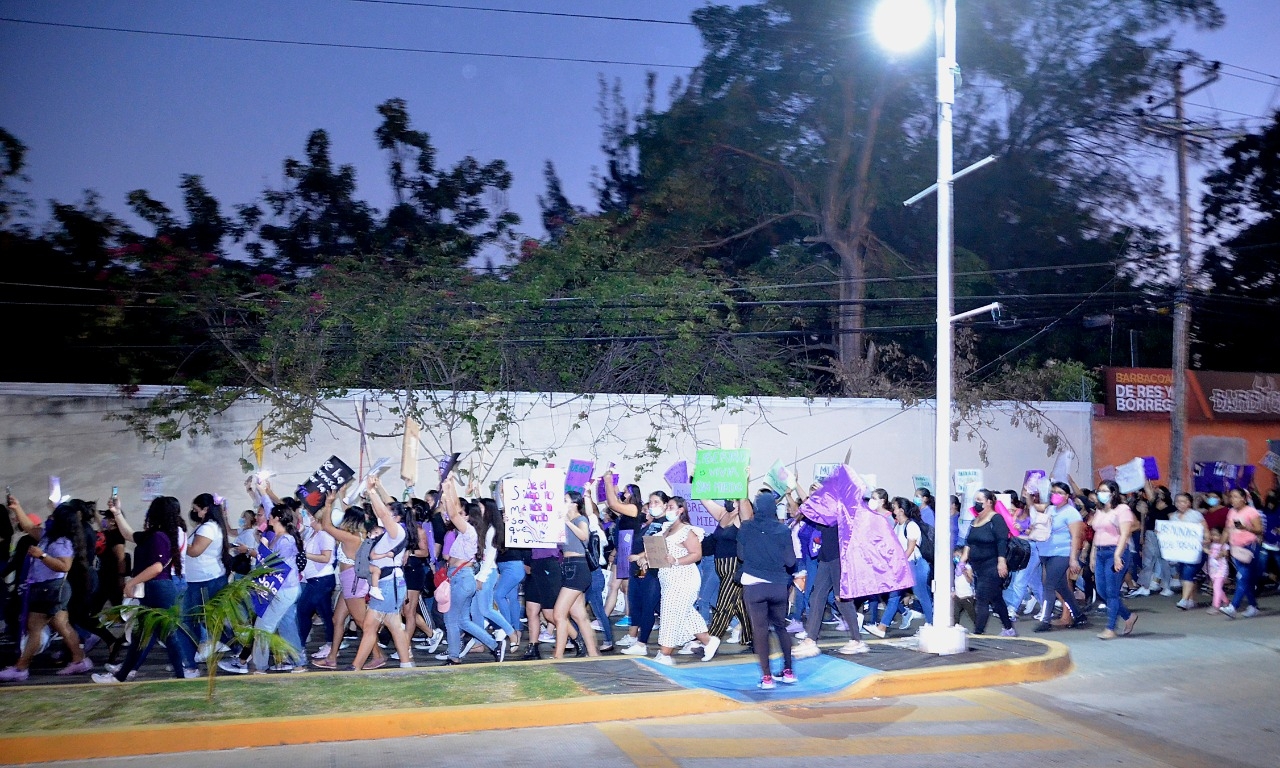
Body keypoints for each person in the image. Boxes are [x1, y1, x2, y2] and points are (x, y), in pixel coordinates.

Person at [93, 496, 188, 683]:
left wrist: (131, 582)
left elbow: (157, 568)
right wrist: (117, 513)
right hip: (156, 590)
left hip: (159, 590)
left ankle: (180, 676)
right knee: (145, 636)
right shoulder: (155, 535)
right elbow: (129, 534)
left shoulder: (159, 537)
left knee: (163, 636)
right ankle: (123, 676)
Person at [1, 498, 93, 681]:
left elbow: (64, 566)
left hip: (49, 590)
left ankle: (21, 668)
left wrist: (41, 555)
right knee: (63, 626)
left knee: (34, 627)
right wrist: (17, 507)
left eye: (53, 516)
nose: (49, 517)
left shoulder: (63, 542)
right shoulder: (48, 536)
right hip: (48, 590)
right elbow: (28, 526)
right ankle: (79, 660)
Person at [647, 496, 719, 666]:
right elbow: (658, 550)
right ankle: (709, 641)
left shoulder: (688, 531)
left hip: (684, 578)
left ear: (681, 510)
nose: (667, 509)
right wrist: (645, 558)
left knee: (670, 614)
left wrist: (677, 560)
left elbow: (696, 554)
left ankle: (665, 653)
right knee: (686, 614)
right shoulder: (666, 528)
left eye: (671, 506)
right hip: (668, 578)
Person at [737, 492, 798, 690]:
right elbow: (790, 561)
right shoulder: (782, 530)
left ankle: (767, 678)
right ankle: (788, 671)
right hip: (778, 586)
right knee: (781, 627)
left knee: (760, 631)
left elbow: (741, 555)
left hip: (754, 585)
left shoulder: (746, 527)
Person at [439, 477, 503, 665]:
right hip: (461, 578)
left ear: (469, 516)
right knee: (463, 620)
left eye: (463, 514)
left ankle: (453, 656)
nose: (460, 515)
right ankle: (494, 645)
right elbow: (454, 509)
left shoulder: (469, 532)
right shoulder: (467, 532)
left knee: (450, 619)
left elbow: (453, 513)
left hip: (462, 578)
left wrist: (446, 490)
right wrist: (449, 488)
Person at [179, 493, 233, 669]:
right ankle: (206, 645)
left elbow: (195, 551)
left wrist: (177, 542)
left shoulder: (209, 528)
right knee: (200, 617)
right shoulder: (207, 526)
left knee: (198, 617)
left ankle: (219, 645)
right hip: (201, 578)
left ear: (206, 509)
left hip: (205, 578)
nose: (193, 512)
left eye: (196, 509)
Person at [617, 488, 668, 656]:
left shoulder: (666, 524)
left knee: (648, 607)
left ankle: (642, 643)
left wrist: (641, 555)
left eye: (656, 503)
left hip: (653, 571)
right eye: (651, 502)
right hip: (640, 570)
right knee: (639, 604)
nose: (652, 506)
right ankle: (694, 636)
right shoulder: (650, 524)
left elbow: (661, 545)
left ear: (665, 505)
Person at [959, 489, 1016, 637]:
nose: (976, 503)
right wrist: (962, 561)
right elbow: (969, 542)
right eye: (975, 500)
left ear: (989, 502)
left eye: (980, 500)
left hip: (992, 566)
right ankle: (1009, 628)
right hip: (978, 567)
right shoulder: (975, 521)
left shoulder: (996, 519)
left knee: (982, 599)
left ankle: (978, 633)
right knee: (996, 598)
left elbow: (1002, 541)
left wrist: (1001, 561)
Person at [1031, 482, 1086, 631]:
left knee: (1048, 585)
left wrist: (1073, 559)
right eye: (1054, 491)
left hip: (1061, 553)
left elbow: (1076, 537)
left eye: (1060, 492)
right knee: (1061, 586)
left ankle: (1045, 619)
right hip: (1045, 552)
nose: (1055, 495)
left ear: (1067, 496)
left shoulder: (1071, 512)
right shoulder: (1050, 509)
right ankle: (1078, 614)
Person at [552, 491, 599, 659]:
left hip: (578, 567)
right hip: (569, 566)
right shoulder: (565, 521)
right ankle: (593, 654)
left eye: (565, 501)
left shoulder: (580, 519)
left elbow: (584, 536)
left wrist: (566, 522)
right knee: (579, 615)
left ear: (574, 503)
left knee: (558, 614)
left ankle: (558, 655)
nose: (562, 503)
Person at [1089, 480, 1139, 640]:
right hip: (1101, 552)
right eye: (1099, 490)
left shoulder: (1122, 509)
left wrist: (1117, 556)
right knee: (1102, 590)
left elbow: (1124, 534)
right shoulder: (1100, 510)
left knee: (1111, 591)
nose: (1101, 494)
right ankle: (1128, 616)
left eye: (1104, 491)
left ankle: (1110, 627)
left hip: (1115, 552)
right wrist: (1092, 555)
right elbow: (1097, 533)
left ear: (1113, 493)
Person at [701, 497, 752, 652]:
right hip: (721, 566)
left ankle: (710, 640)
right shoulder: (724, 514)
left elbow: (745, 506)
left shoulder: (742, 517)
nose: (728, 501)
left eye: (732, 499)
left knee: (723, 604)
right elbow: (705, 499)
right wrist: (698, 479)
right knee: (738, 605)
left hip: (734, 567)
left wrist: (743, 482)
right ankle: (753, 636)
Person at [1221, 486, 1263, 619]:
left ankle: (1233, 606)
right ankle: (1253, 606)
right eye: (1231, 497)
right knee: (1246, 579)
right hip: (1236, 549)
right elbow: (1227, 529)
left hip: (1249, 548)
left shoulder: (1251, 512)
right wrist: (1221, 545)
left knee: (1242, 577)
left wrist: (1246, 528)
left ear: (1244, 499)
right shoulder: (1231, 512)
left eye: (1235, 497)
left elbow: (1259, 530)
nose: (1232, 499)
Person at [1170, 492, 1207, 610]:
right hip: (1181, 551)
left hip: (1196, 550)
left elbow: (1205, 530)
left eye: (1184, 501)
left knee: (1188, 573)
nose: (1180, 504)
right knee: (1185, 574)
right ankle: (1192, 599)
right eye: (1178, 501)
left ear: (1189, 503)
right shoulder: (1173, 516)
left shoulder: (1195, 515)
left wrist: (1206, 540)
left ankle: (1184, 599)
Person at [1205, 529, 1230, 614]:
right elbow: (1208, 551)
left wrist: (1221, 554)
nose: (1214, 537)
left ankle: (1216, 606)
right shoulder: (1211, 545)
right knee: (1217, 588)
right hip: (1212, 570)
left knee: (1216, 587)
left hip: (1221, 569)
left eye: (1216, 535)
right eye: (1212, 535)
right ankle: (1226, 601)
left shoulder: (1224, 545)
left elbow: (1226, 554)